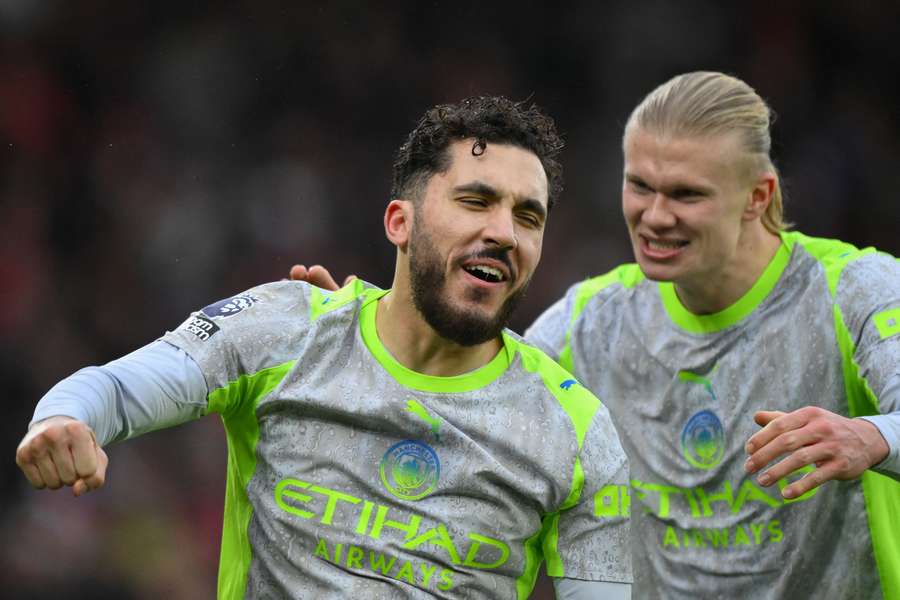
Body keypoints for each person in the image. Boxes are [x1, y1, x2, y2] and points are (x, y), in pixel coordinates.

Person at [292, 73, 900, 599]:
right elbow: (470, 399)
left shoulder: (854, 290)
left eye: (686, 194)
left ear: (756, 196)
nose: (655, 215)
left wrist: (870, 434)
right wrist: (364, 338)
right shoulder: (596, 320)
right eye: (640, 186)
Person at [15, 97, 632, 599]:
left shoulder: (576, 432)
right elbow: (114, 389)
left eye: (529, 217)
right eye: (476, 201)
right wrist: (64, 418)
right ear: (400, 222)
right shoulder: (287, 329)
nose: (503, 232)